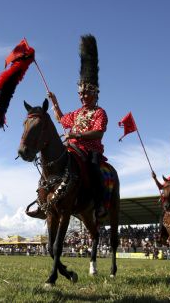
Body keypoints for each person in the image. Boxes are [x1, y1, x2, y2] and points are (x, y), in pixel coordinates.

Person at [49, 34, 108, 218]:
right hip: (73, 149)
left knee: (94, 170)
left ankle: (99, 204)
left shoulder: (100, 112)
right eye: (80, 93)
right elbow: (61, 119)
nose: (82, 96)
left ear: (94, 93)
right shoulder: (77, 113)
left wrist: (78, 136)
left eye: (86, 93)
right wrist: (55, 103)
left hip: (91, 152)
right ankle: (46, 200)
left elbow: (99, 132)